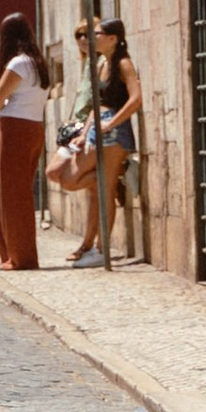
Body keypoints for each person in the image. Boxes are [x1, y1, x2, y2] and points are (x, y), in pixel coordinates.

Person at [63, 19, 143, 267]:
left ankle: (101, 250)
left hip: (115, 132)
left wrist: (113, 123)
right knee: (66, 175)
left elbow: (136, 98)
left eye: (96, 34)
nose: (91, 38)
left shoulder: (123, 63)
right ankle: (97, 247)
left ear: (112, 38)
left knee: (105, 190)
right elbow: (96, 106)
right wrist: (84, 132)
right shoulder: (101, 66)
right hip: (97, 128)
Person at [0, 11, 49, 271]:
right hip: (33, 126)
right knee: (6, 190)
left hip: (14, 128)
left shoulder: (18, 64)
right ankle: (12, 254)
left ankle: (21, 257)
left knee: (12, 193)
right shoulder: (37, 63)